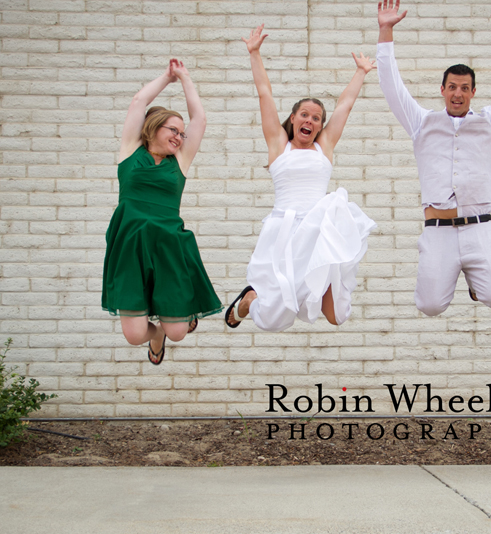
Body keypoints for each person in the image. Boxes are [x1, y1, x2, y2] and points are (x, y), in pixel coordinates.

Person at [376, 0, 491, 317]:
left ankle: (478, 281)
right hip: (439, 229)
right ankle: (455, 272)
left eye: (465, 88)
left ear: (473, 92)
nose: (458, 93)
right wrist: (385, 30)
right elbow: (391, 85)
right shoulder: (422, 123)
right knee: (430, 306)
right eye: (452, 87)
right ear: (442, 90)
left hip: (480, 227)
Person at [225, 25, 377, 332]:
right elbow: (264, 93)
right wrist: (254, 53)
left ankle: (312, 284)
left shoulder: (324, 147)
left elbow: (345, 106)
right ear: (293, 118)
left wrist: (361, 72)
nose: (310, 120)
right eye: (304, 114)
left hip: (320, 230)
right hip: (285, 229)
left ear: (321, 126)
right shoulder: (279, 146)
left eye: (317, 117)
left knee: (336, 316)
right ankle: (247, 301)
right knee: (274, 318)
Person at [102, 59, 222, 365]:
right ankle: (156, 336)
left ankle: (172, 328)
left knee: (179, 331)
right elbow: (139, 101)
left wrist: (185, 79)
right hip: (130, 247)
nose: (179, 137)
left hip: (168, 247)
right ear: (154, 127)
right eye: (174, 130)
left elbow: (200, 119)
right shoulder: (130, 151)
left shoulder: (179, 161)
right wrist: (167, 77)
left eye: (182, 134)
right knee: (133, 333)